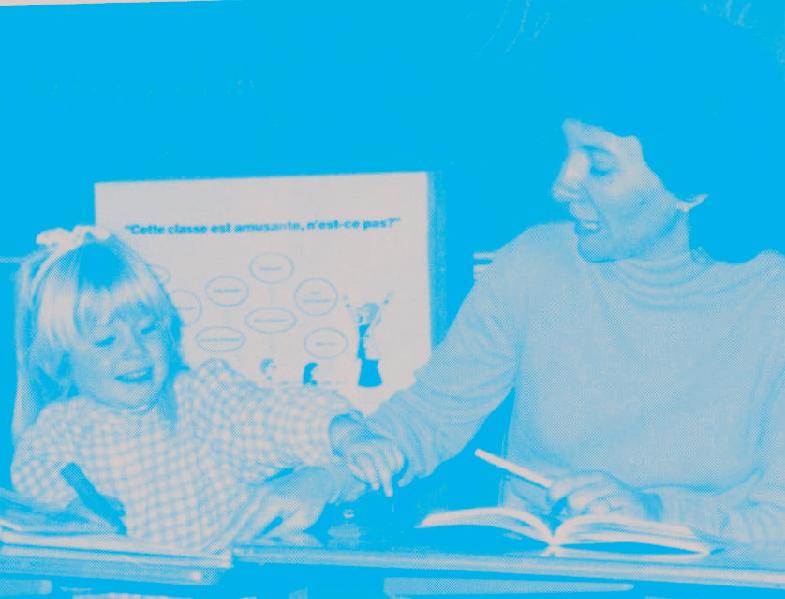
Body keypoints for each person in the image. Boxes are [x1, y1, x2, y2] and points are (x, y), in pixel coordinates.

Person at [332, 4, 785, 543]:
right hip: (538, 570)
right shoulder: (533, 266)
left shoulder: (771, 304)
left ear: (694, 186)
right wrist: (329, 478)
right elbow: (429, 417)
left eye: (599, 165)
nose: (562, 185)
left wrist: (655, 514)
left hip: (701, 577)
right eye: (566, 153)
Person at [9, 226, 399, 550]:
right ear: (60, 357)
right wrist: (67, 515)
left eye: (148, 329)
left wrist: (344, 433)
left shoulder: (202, 400)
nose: (135, 351)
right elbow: (33, 481)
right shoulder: (57, 431)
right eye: (106, 341)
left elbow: (269, 414)